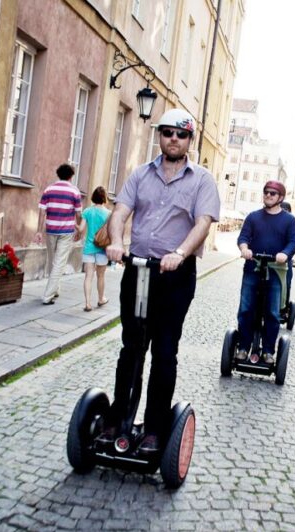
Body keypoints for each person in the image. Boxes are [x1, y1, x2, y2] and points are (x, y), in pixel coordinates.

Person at [104, 108, 220, 454]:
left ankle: (154, 427)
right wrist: (116, 242)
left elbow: (203, 223)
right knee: (132, 347)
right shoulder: (140, 174)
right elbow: (120, 211)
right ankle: (117, 419)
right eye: (168, 132)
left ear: (189, 140)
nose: (174, 139)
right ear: (160, 136)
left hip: (175, 276)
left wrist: (180, 253)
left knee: (165, 351)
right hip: (138, 270)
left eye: (181, 134)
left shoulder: (202, 180)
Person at [235, 181, 295, 364]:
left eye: (272, 193)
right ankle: (243, 347)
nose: (268, 195)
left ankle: (268, 351)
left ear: (281, 197)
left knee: (272, 312)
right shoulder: (253, 217)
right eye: (266, 192)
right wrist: (244, 248)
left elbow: (293, 242)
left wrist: (285, 254)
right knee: (246, 309)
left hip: (276, 271)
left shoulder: (289, 220)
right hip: (252, 268)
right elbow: (243, 237)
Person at [34, 163, 82, 305]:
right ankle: (48, 295)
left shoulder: (49, 189)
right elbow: (78, 214)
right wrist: (79, 229)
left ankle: (55, 290)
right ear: (71, 176)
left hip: (50, 230)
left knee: (52, 261)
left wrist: (38, 231)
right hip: (66, 231)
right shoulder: (74, 191)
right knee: (59, 262)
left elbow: (42, 211)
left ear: (58, 174)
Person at [77, 186, 111, 312]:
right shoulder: (109, 214)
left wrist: (73, 224)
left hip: (89, 248)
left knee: (88, 276)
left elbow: (81, 229)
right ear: (104, 198)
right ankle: (101, 299)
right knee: (101, 276)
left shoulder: (87, 211)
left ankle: (87, 303)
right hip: (102, 249)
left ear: (93, 197)